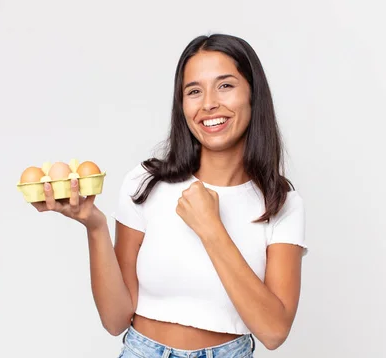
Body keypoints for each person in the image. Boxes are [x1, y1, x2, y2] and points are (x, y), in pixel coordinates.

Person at [33, 33, 308, 357]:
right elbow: (115, 319)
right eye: (194, 91)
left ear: (253, 94)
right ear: (182, 105)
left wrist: (211, 229)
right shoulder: (146, 182)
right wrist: (95, 227)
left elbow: (274, 332)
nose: (208, 103)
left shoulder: (280, 204)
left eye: (225, 85)